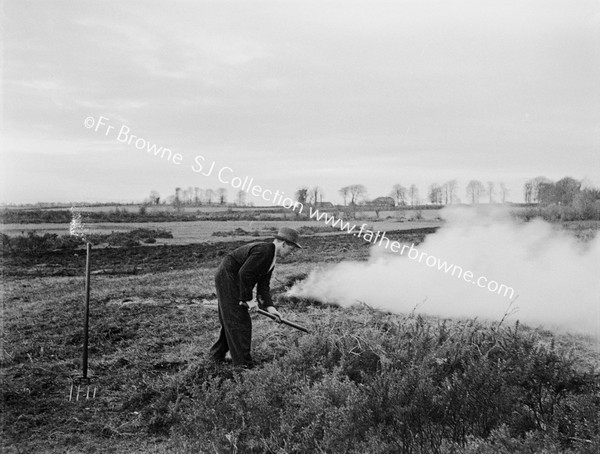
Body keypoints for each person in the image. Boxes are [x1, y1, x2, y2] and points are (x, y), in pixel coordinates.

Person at [208, 227, 302, 368]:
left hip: (231, 278)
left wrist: (271, 309)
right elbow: (244, 274)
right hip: (228, 277)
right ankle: (243, 366)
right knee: (239, 321)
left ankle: (216, 356)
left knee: (231, 319)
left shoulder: (271, 258)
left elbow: (263, 287)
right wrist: (248, 299)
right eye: (291, 249)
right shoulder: (265, 250)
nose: (292, 253)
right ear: (283, 244)